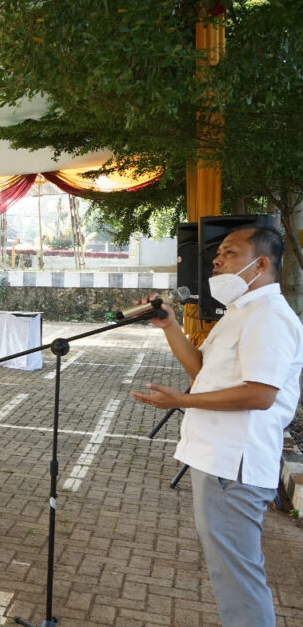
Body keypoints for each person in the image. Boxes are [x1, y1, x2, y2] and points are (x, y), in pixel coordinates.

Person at [130, 226, 303, 627]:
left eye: (229, 252)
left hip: (233, 465)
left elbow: (260, 394)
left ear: (261, 264)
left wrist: (181, 401)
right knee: (230, 574)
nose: (217, 260)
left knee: (238, 580)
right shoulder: (241, 312)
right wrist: (170, 326)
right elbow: (202, 369)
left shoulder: (269, 317)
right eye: (218, 253)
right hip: (217, 459)